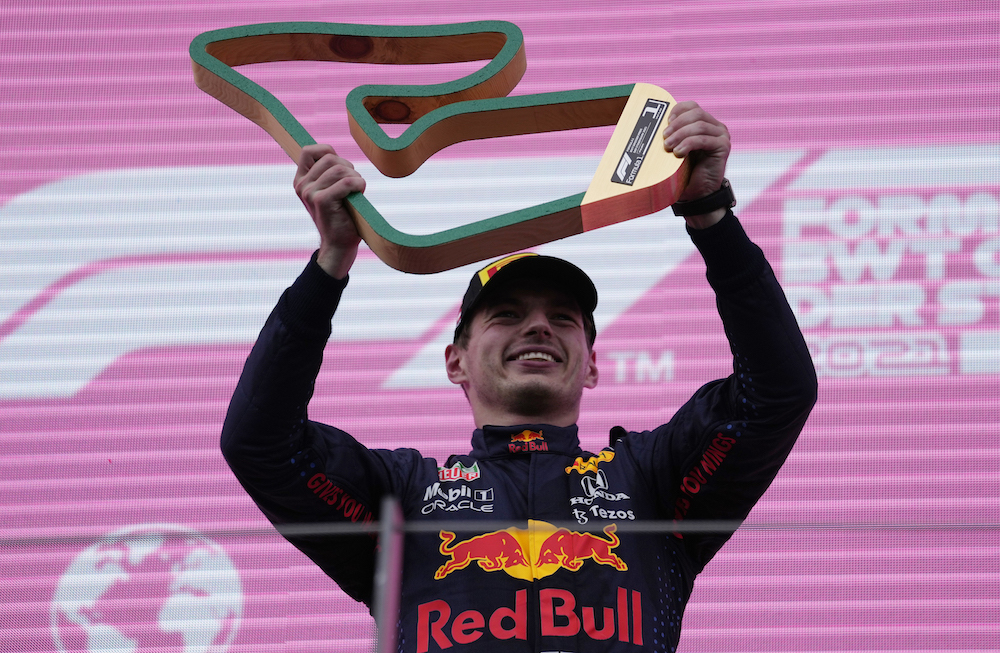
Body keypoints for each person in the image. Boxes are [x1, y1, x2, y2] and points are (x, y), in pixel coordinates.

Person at [221, 101, 817, 652]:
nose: (538, 328)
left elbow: (777, 391)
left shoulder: (651, 481)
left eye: (562, 318)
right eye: (507, 315)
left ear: (591, 364)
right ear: (455, 362)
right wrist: (330, 263)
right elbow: (261, 442)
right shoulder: (404, 499)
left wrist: (710, 216)